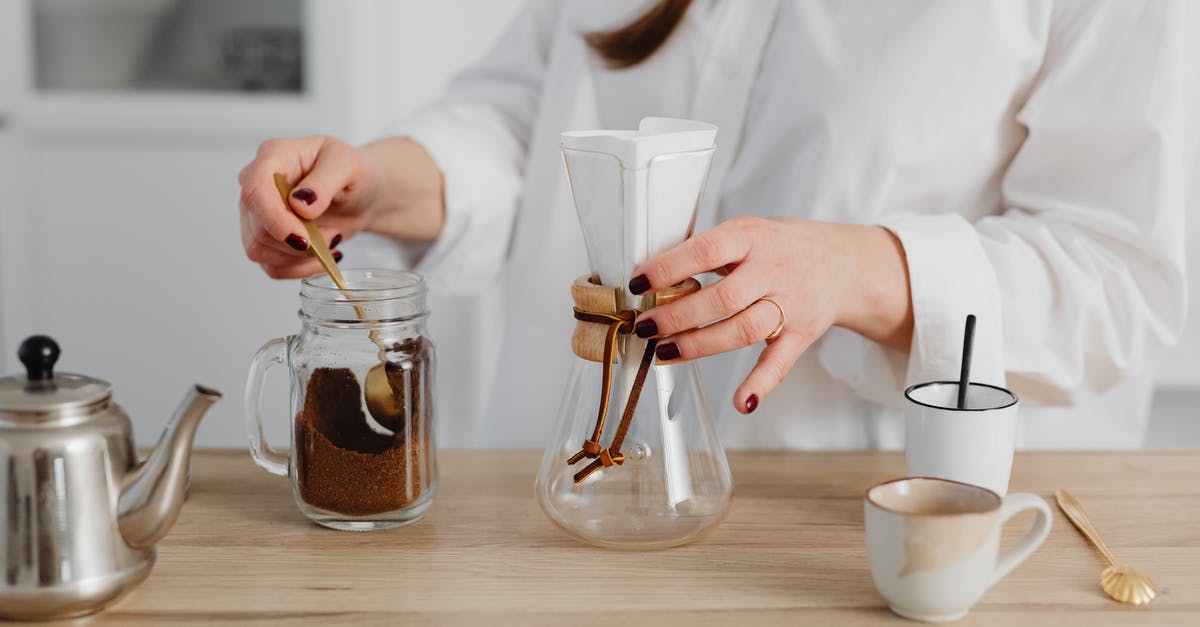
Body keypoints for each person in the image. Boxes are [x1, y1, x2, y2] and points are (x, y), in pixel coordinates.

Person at [238, 1, 1194, 449]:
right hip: (569, 497)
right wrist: (379, 183)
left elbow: (1124, 277)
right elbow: (532, 115)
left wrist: (862, 270)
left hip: (842, 536)